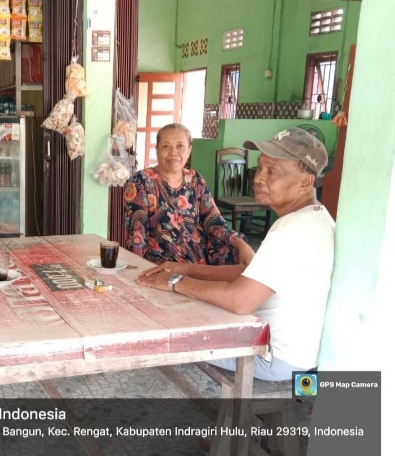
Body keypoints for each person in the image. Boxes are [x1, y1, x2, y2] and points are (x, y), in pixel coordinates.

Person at [136, 127, 335, 381]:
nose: (258, 178)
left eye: (272, 171)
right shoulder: (315, 219)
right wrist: (186, 269)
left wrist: (176, 283)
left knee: (169, 324)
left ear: (306, 181)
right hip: (295, 354)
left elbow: (240, 301)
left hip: (271, 356)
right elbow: (253, 274)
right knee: (191, 303)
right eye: (260, 166)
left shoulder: (293, 229)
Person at [124, 123, 254, 266]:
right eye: (166, 146)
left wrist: (241, 245)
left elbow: (214, 221)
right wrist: (137, 270)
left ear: (189, 150)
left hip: (200, 256)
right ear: (157, 149)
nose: (173, 152)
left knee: (241, 258)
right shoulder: (141, 182)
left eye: (180, 146)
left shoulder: (195, 180)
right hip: (163, 261)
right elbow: (137, 235)